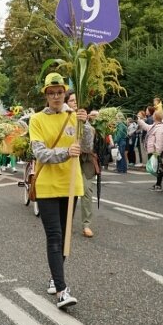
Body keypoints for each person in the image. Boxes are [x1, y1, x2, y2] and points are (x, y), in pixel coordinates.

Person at [29, 72, 92, 309]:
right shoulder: (36, 119)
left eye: (59, 92)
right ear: (45, 95)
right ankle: (62, 291)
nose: (56, 96)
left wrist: (84, 124)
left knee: (65, 237)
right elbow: (40, 152)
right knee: (55, 237)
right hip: (46, 185)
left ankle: (56, 278)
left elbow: (86, 146)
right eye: (51, 93)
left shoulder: (74, 116)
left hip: (71, 184)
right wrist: (66, 153)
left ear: (65, 93)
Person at [67, 91, 97, 238]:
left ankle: (86, 224)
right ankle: (67, 221)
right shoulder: (63, 119)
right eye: (72, 101)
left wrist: (84, 123)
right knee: (69, 192)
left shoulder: (84, 119)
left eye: (76, 101)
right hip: (66, 159)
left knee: (86, 190)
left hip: (84, 160)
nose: (75, 103)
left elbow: (88, 146)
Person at [137, 110, 163, 191]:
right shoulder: (155, 125)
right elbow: (147, 127)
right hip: (154, 150)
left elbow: (159, 141)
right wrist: (139, 120)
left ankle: (158, 185)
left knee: (158, 167)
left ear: (156, 117)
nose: (152, 116)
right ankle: (157, 183)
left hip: (156, 151)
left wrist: (157, 152)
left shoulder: (159, 128)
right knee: (156, 167)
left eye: (154, 115)